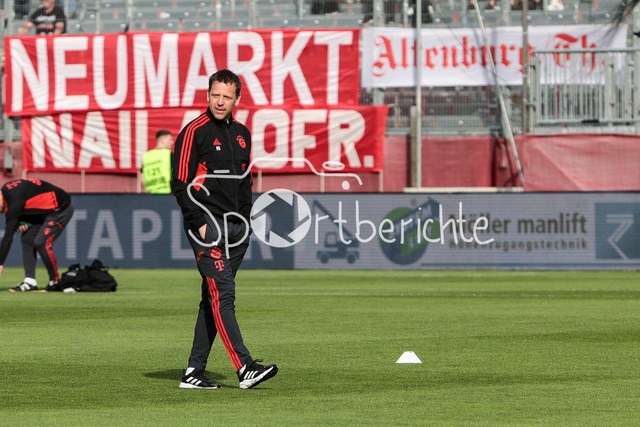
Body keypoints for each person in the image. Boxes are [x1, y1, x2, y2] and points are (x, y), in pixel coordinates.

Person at [172, 69, 278, 390]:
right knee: (224, 294)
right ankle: (245, 367)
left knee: (213, 298)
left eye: (226, 97)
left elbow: (245, 183)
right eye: (215, 95)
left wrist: (246, 222)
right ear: (208, 95)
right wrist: (200, 223)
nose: (220, 102)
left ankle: (193, 372)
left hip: (237, 230)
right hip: (208, 228)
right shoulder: (194, 131)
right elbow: (180, 183)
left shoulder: (243, 133)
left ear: (237, 100)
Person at [0, 178, 74, 292]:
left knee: (41, 242)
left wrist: (0, 263)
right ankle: (30, 282)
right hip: (44, 212)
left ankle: (55, 282)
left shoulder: (13, 201)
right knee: (27, 239)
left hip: (60, 208)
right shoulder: (6, 191)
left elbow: (8, 236)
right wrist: (23, 222)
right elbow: (29, 200)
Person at [142, 129, 174, 194]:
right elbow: (175, 173)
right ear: (163, 140)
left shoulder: (146, 155)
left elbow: (142, 179)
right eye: (170, 139)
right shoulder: (168, 154)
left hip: (149, 194)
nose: (172, 142)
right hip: (167, 193)